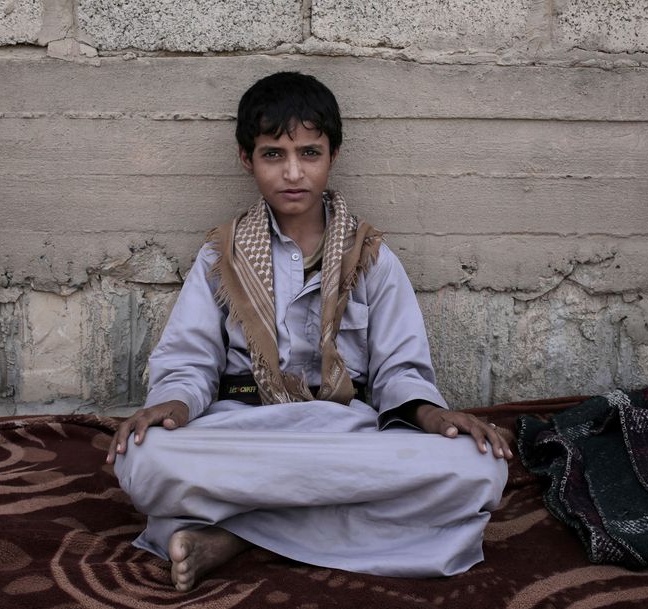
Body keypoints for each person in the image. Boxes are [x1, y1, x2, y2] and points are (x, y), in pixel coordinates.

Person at [107, 72, 512, 592]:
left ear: (333, 156)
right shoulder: (220, 256)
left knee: (478, 470)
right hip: (243, 430)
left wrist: (431, 414)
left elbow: (400, 370)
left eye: (309, 152)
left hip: (345, 433)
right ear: (245, 159)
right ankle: (327, 526)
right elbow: (189, 362)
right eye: (273, 154)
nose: (292, 172)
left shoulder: (372, 257)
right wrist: (176, 405)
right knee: (144, 460)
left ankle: (236, 536)